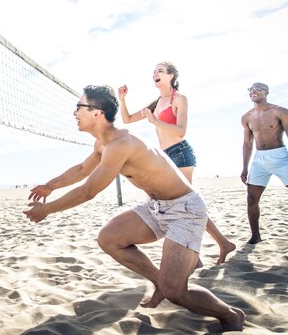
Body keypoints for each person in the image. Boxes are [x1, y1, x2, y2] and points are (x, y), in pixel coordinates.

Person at [24, 85, 244, 332]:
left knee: (176, 292)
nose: (75, 112)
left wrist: (48, 209)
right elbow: (82, 170)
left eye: (79, 107)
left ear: (96, 112)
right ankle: (158, 280)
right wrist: (49, 186)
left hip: (185, 209)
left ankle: (231, 315)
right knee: (109, 238)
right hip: (157, 206)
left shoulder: (121, 143)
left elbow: (89, 190)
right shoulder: (103, 143)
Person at [118, 62, 235, 265]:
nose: (155, 73)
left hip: (180, 153)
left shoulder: (179, 99)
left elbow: (180, 131)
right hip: (164, 157)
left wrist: (153, 120)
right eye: (154, 71)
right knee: (180, 206)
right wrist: (122, 98)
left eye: (160, 71)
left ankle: (201, 254)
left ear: (171, 76)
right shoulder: (156, 102)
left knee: (183, 205)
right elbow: (127, 119)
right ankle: (222, 244)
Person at [241, 82, 288, 244]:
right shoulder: (247, 117)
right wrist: (244, 167)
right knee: (251, 200)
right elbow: (247, 143)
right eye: (250, 89)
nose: (253, 91)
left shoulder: (280, 111)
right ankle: (256, 236)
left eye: (258, 88)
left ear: (266, 92)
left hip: (281, 158)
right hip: (259, 160)